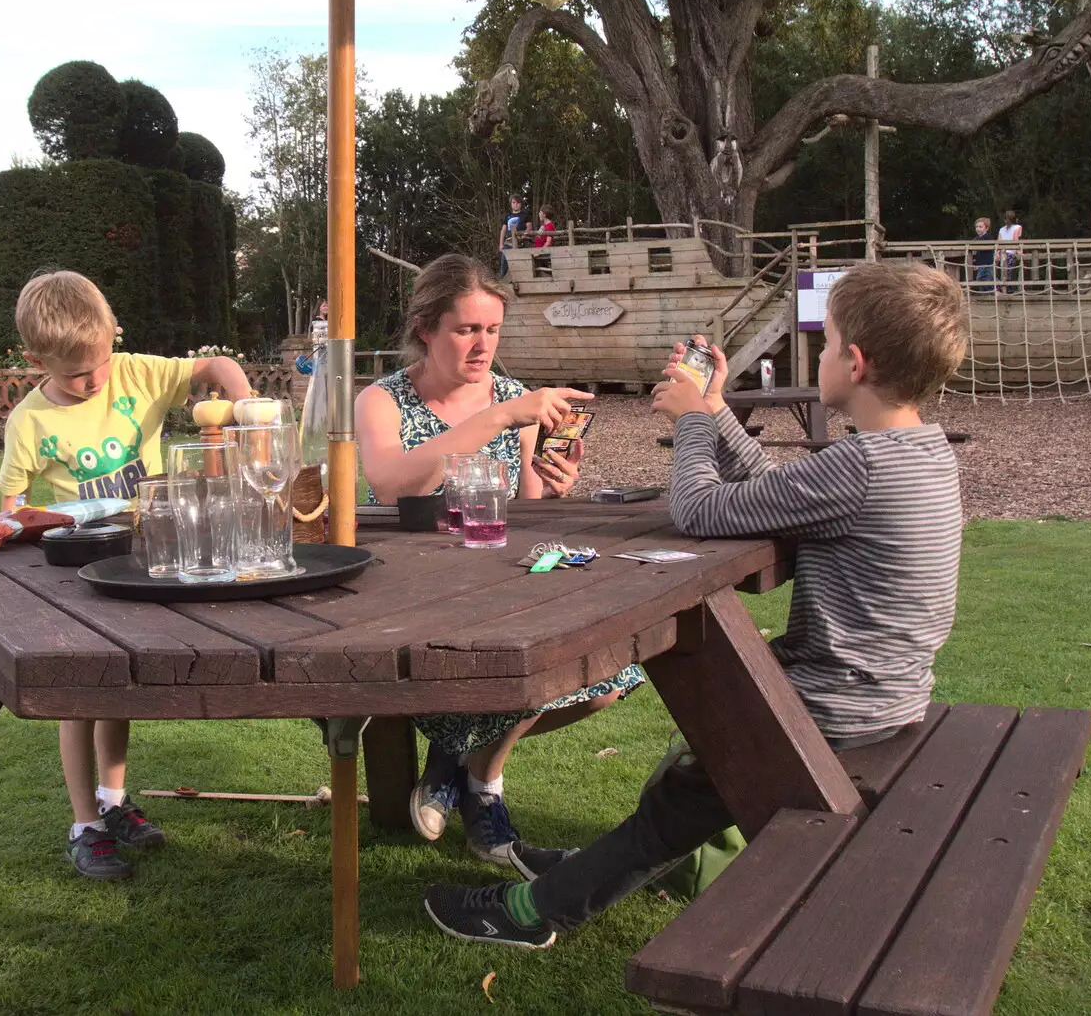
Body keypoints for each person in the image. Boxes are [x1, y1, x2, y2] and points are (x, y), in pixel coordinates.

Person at [423, 260, 969, 948]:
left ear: (855, 364)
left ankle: (534, 913)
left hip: (833, 706)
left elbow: (699, 509)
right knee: (694, 773)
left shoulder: (860, 466)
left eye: (825, 344)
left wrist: (691, 427)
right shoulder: (918, 453)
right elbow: (779, 491)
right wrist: (715, 409)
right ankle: (584, 872)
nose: (821, 355)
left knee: (692, 785)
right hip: (887, 695)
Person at [356, 254, 644, 880]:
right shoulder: (384, 399)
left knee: (610, 677)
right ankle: (480, 789)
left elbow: (525, 510)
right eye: (466, 329)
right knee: (508, 669)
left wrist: (553, 483)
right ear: (427, 328)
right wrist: (495, 417)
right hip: (411, 589)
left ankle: (465, 765)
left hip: (502, 581)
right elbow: (388, 483)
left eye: (492, 330)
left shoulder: (518, 401)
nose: (482, 345)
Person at [0, 270, 253, 880]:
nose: (94, 381)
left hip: (145, 561)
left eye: (101, 363)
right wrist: (23, 526)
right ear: (36, 359)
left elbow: (215, 366)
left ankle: (114, 803)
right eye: (76, 374)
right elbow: (11, 507)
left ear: (114, 335)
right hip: (76, 575)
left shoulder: (137, 373)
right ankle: (84, 823)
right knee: (78, 698)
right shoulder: (29, 422)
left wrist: (244, 409)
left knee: (118, 688)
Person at [498, 195, 528, 276]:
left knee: (520, 265)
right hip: (508, 243)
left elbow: (529, 228)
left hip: (521, 244)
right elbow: (503, 230)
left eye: (518, 203)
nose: (516, 204)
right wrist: (501, 244)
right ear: (511, 204)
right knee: (504, 265)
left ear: (521, 204)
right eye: (514, 202)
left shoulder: (525, 215)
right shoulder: (507, 216)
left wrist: (523, 236)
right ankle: (502, 284)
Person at [999, 209, 1023, 293]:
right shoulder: (1018, 227)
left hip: (1003, 253)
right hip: (1010, 253)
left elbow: (999, 242)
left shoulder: (1001, 229)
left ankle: (1004, 289)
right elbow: (1015, 239)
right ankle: (1006, 289)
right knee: (1009, 272)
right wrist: (1018, 250)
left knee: (1004, 271)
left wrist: (998, 253)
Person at [970, 217, 995, 291]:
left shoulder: (988, 237)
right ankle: (987, 294)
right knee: (982, 280)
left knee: (983, 279)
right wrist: (975, 263)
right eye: (976, 227)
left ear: (986, 228)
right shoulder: (977, 238)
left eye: (980, 227)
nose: (978, 228)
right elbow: (978, 253)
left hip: (987, 264)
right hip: (981, 264)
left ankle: (990, 294)